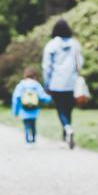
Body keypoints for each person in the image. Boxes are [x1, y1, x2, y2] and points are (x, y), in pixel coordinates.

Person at [42, 19, 84, 149]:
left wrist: (46, 84)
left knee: (61, 109)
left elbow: (47, 66)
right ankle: (66, 135)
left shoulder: (51, 45)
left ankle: (67, 129)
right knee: (69, 109)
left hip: (56, 82)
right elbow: (80, 63)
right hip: (71, 82)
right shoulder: (75, 44)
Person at [12, 67, 52, 147]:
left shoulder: (21, 85)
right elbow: (42, 96)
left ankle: (28, 141)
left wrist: (15, 112)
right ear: (34, 76)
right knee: (33, 125)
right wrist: (50, 99)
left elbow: (16, 98)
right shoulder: (36, 84)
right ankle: (33, 140)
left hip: (24, 110)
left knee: (27, 126)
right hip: (34, 110)